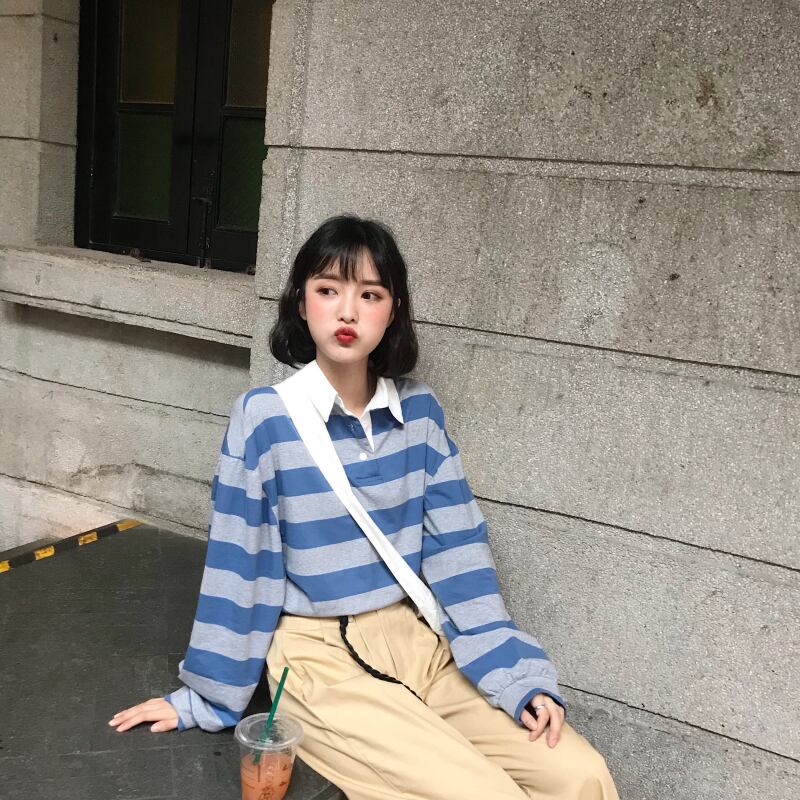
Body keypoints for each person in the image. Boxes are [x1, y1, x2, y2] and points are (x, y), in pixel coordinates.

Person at [109, 214, 619, 799]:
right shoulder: (264, 419)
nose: (347, 312)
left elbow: (459, 556)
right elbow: (240, 564)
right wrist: (206, 698)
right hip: (319, 658)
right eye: (328, 290)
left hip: (422, 642)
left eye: (370, 295)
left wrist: (518, 677)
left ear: (393, 310)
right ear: (301, 302)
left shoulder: (420, 413)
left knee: (581, 776)